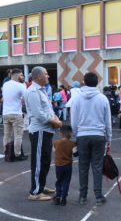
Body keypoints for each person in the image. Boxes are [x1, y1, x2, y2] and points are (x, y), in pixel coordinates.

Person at [70, 72, 112, 206]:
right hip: (98, 134)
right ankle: (98, 196)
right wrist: (108, 137)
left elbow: (74, 120)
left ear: (84, 82)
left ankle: (82, 196)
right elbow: (108, 120)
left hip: (82, 135)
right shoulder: (102, 98)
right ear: (97, 82)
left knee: (83, 166)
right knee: (97, 166)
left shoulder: (77, 98)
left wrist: (76, 135)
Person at [25, 66, 62, 201]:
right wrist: (55, 122)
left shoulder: (41, 90)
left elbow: (47, 109)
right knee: (39, 161)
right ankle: (35, 192)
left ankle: (41, 185)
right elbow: (39, 114)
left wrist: (55, 119)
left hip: (45, 130)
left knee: (45, 160)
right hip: (39, 130)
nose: (48, 76)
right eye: (46, 74)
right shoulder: (33, 91)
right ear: (39, 76)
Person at [2, 68, 28, 161]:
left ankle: (7, 152)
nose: (22, 77)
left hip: (5, 113)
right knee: (18, 135)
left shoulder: (5, 84)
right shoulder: (20, 85)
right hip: (16, 113)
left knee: (7, 135)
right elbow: (27, 98)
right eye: (21, 75)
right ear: (16, 76)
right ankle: (18, 154)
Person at [53, 125, 77, 206]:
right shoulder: (72, 144)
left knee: (59, 181)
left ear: (61, 133)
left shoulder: (56, 143)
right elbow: (75, 154)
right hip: (68, 165)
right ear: (70, 133)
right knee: (66, 181)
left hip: (58, 165)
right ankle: (64, 198)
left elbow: (54, 151)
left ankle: (57, 197)